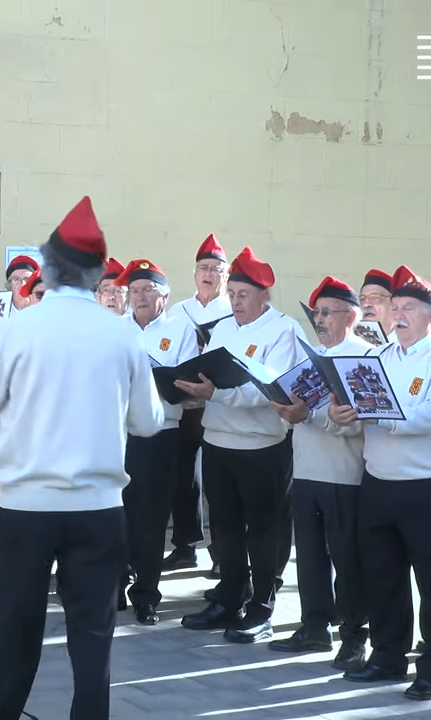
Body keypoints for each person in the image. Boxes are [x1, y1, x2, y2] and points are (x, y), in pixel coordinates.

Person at [0, 196, 164, 720]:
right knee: (93, 643)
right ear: (99, 278)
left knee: (14, 633)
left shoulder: (16, 330)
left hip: (26, 507)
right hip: (98, 507)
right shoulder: (122, 335)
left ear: (45, 268)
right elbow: (149, 422)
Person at [332, 265, 431, 702]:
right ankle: (388, 656)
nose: (399, 315)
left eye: (409, 308)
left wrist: (380, 413)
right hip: (378, 480)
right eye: (394, 307)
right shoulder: (378, 357)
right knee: (382, 575)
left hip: (425, 484)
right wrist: (341, 415)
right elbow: (353, 408)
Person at [177, 246, 303, 644]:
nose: (235, 302)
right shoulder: (223, 328)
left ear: (264, 295)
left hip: (261, 447)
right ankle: (230, 596)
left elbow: (272, 390)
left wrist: (216, 394)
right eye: (232, 294)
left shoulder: (284, 330)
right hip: (218, 440)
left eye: (243, 295)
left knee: (265, 529)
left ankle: (262, 605)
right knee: (226, 526)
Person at [268, 276, 372, 671]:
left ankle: (354, 634)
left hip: (343, 473)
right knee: (309, 555)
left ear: (352, 316)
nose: (321, 319)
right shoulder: (310, 355)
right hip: (307, 467)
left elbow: (361, 421)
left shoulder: (363, 357)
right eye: (317, 313)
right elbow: (304, 407)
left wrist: (311, 416)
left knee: (347, 558)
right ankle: (314, 625)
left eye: (328, 312)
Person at [115, 258, 198, 625]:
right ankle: (113, 586)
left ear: (164, 295)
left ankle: (146, 594)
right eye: (134, 291)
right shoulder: (114, 329)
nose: (140, 297)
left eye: (148, 290)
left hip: (160, 435)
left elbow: (188, 381)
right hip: (115, 435)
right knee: (114, 515)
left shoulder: (180, 330)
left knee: (150, 520)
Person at [164, 234, 232, 574]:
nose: (208, 274)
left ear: (226, 274)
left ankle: (223, 553)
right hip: (187, 405)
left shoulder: (233, 311)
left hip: (222, 404)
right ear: (194, 274)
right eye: (203, 268)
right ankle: (185, 543)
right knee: (183, 475)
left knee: (218, 481)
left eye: (216, 269)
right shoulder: (179, 312)